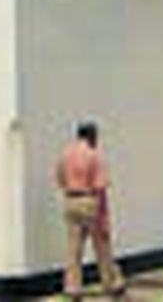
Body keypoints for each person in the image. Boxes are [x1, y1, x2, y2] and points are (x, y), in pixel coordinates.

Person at [54, 122, 125, 298]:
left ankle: (72, 287)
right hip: (89, 200)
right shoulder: (94, 156)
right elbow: (100, 188)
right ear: (92, 136)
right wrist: (104, 216)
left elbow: (60, 179)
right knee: (102, 244)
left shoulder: (65, 155)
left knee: (73, 248)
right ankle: (111, 283)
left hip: (71, 199)